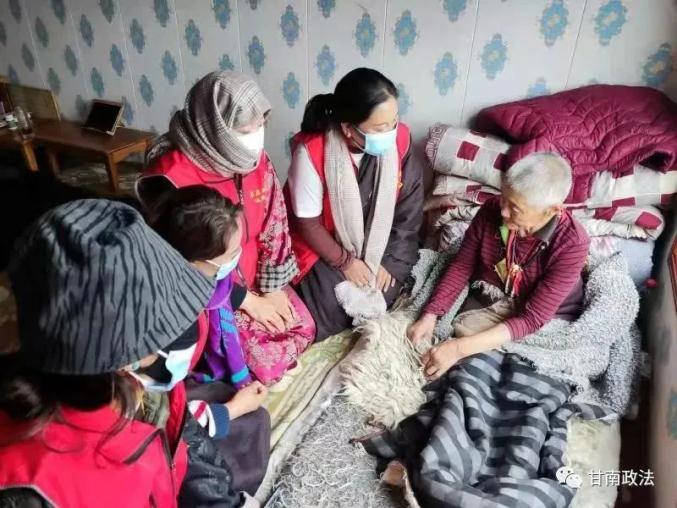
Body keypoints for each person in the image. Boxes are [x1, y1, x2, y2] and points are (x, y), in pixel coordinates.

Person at [0, 199, 258, 507]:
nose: (176, 335)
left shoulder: (146, 390)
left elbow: (183, 439)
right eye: (162, 327)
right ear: (123, 359)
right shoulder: (33, 488)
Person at [138, 71, 315, 385]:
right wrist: (247, 301)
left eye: (260, 125)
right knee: (262, 360)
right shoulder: (170, 179)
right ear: (214, 128)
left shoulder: (253, 159)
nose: (255, 138)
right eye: (245, 130)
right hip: (213, 291)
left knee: (303, 326)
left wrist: (272, 288)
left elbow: (274, 220)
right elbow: (178, 266)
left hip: (255, 273)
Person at [407, 152, 590, 379]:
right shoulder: (492, 209)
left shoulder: (572, 243)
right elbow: (462, 266)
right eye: (504, 197)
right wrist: (430, 314)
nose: (503, 211)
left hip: (542, 314)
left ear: (552, 211)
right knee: (423, 338)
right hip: (496, 294)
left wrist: (458, 349)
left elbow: (532, 318)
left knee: (476, 369)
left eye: (515, 208)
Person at [285, 68, 423, 341]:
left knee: (384, 289)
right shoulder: (312, 151)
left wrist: (389, 261)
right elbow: (307, 224)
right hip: (325, 246)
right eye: (380, 129)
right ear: (348, 128)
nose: (391, 133)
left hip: (382, 245)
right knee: (331, 306)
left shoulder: (401, 140)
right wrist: (346, 262)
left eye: (394, 121)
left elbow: (409, 210)